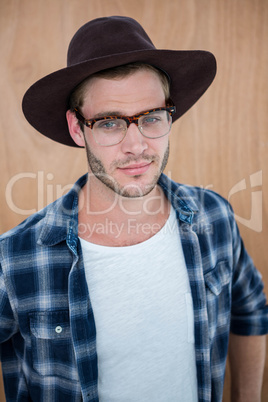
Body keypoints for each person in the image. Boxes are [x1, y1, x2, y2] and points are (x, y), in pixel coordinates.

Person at [0, 16, 267, 402]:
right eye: (110, 123)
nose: (137, 146)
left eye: (151, 118)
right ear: (78, 129)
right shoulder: (15, 257)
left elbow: (251, 310)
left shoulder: (216, 218)